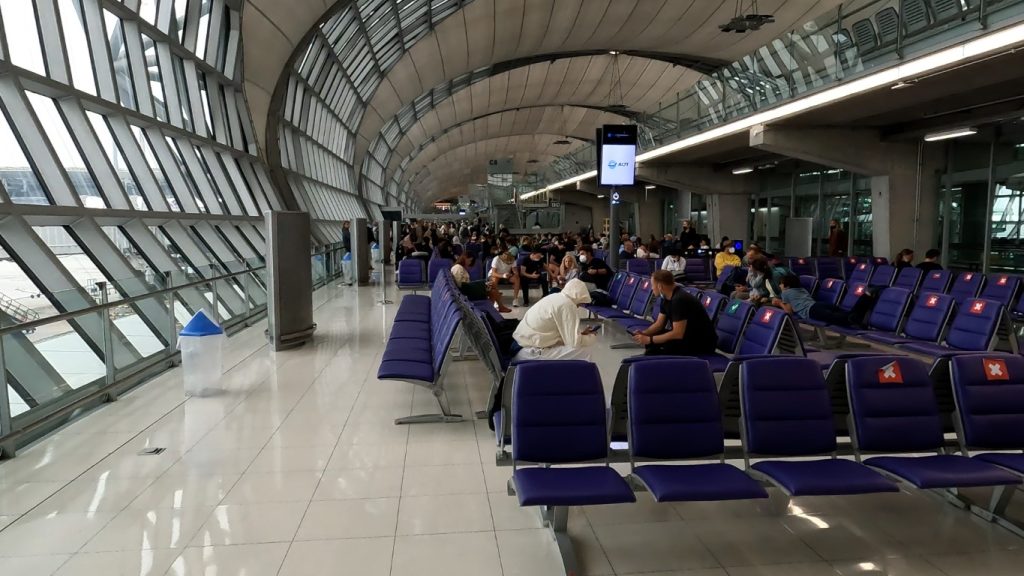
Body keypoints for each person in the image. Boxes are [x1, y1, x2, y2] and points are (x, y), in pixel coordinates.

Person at [632, 270, 717, 356]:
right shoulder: (666, 297)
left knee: (655, 348)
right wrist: (644, 333)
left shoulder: (679, 299)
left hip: (701, 343)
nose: (651, 288)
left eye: (652, 285)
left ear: (660, 286)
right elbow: (659, 324)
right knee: (654, 338)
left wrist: (649, 339)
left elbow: (677, 333)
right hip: (687, 336)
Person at [512, 279, 598, 361]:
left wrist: (581, 334)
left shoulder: (555, 297)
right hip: (529, 352)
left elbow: (561, 333)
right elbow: (574, 343)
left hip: (521, 347)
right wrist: (591, 337)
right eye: (580, 303)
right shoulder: (567, 305)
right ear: (578, 297)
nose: (579, 306)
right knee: (585, 351)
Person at [772, 274, 869, 326]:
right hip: (818, 305)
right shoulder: (801, 289)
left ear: (787, 286)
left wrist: (780, 303)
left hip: (810, 311)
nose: (780, 285)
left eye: (781, 283)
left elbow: (789, 311)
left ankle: (864, 302)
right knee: (848, 313)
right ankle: (866, 297)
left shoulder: (785, 293)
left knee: (841, 319)